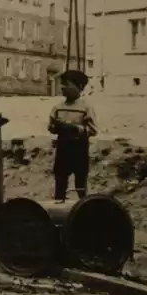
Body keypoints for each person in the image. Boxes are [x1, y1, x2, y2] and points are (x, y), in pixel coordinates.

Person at [48, 70, 98, 203]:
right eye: (62, 84)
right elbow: (51, 127)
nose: (63, 87)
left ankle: (84, 206)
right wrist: (55, 127)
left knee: (80, 179)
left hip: (79, 148)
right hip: (63, 148)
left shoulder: (86, 108)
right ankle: (59, 204)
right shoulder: (57, 107)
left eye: (67, 84)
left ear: (80, 87)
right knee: (60, 177)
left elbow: (93, 130)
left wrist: (76, 128)